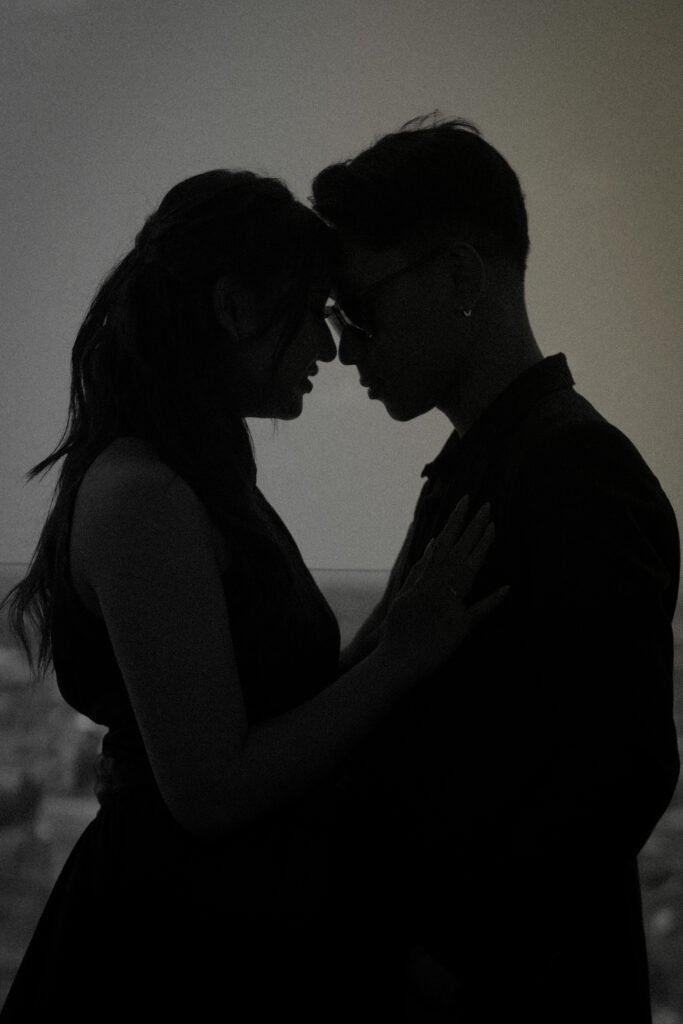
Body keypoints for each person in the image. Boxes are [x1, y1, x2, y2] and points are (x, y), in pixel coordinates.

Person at [0, 169, 507, 1022]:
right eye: (310, 311)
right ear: (233, 308)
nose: (328, 348)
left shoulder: (194, 479)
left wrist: (393, 625)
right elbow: (211, 791)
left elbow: (273, 714)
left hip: (212, 923)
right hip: (171, 950)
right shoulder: (146, 496)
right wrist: (396, 660)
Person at [311, 115, 680, 1022]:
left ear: (461, 279)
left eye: (360, 309)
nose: (346, 347)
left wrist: (447, 960)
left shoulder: (573, 467)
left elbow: (624, 767)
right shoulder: (506, 457)